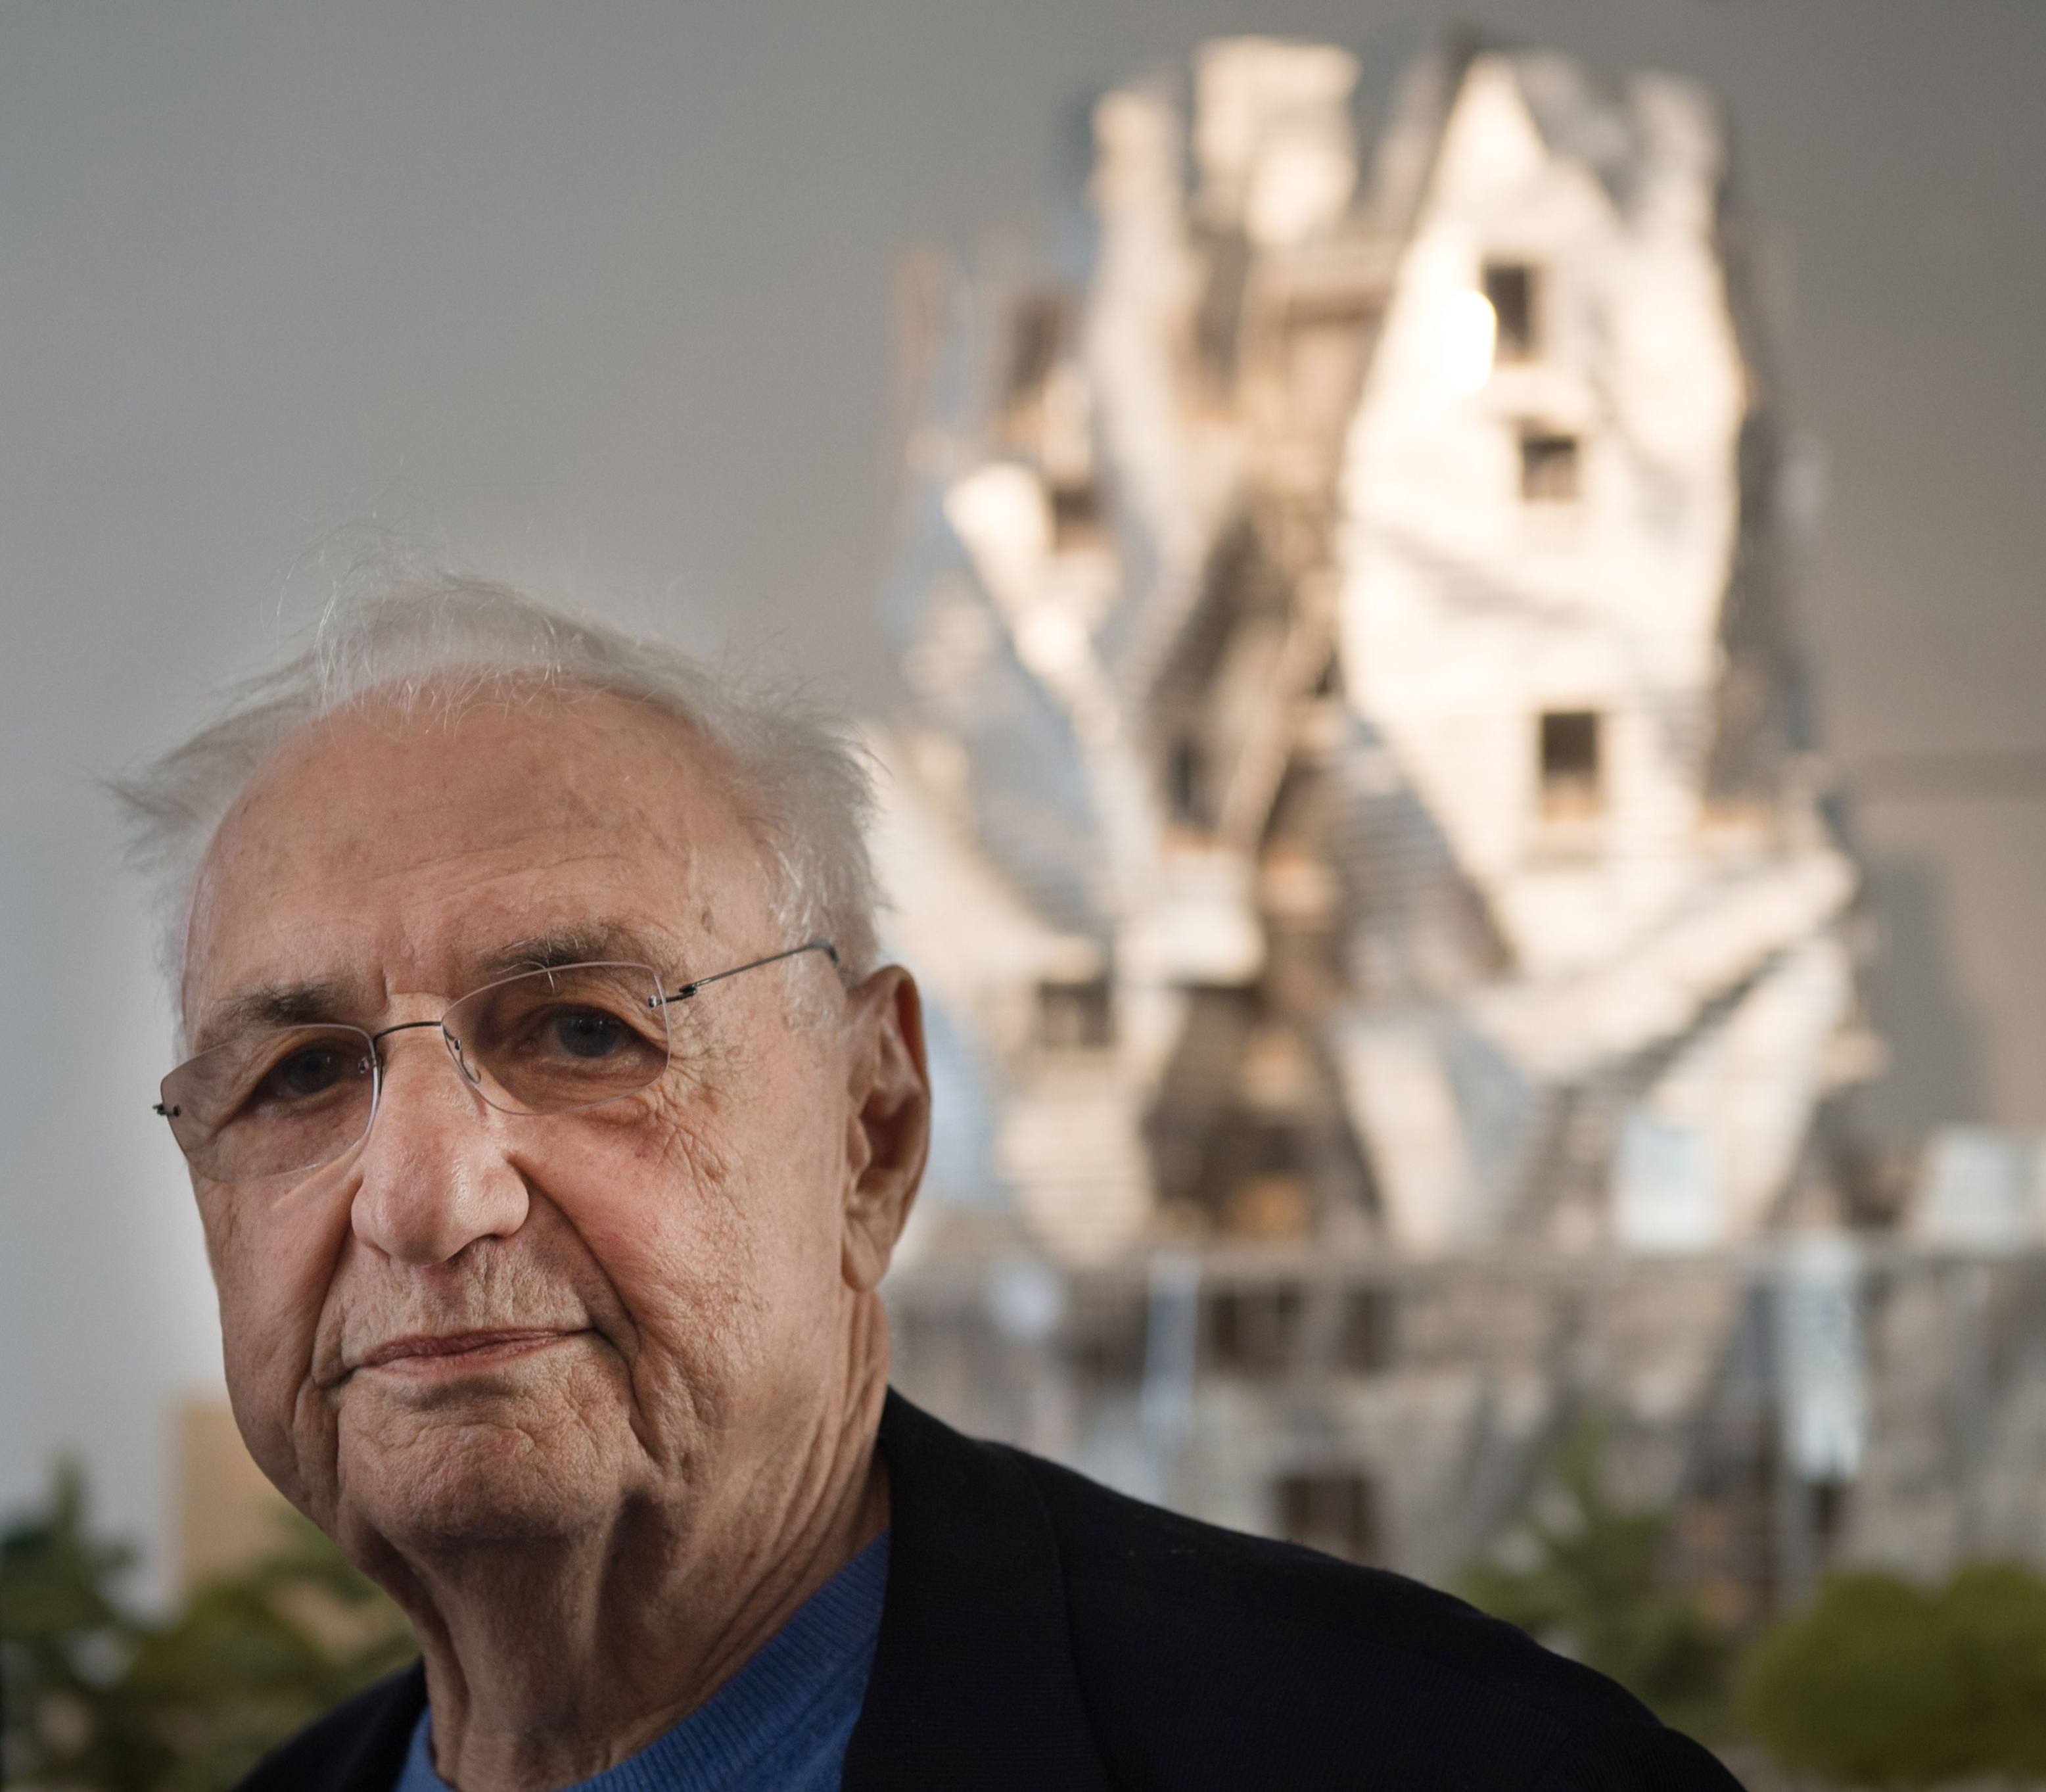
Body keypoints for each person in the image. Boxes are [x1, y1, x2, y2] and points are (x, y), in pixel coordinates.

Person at [118, 573, 1742, 1792]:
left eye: (579, 1032)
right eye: (303, 1073)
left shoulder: (1442, 1764)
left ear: (873, 1128)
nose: (422, 1198)